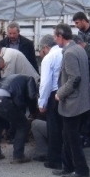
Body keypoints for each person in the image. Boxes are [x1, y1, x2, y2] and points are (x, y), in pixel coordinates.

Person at [52, 24, 90, 177]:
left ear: (61, 36)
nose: (55, 39)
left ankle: (81, 170)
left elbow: (74, 78)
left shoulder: (69, 53)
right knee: (68, 136)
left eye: (55, 37)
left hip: (73, 103)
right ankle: (67, 166)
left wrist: (60, 94)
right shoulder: (79, 49)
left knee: (72, 138)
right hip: (82, 101)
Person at [0, 74, 37, 164]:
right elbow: (31, 96)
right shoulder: (30, 79)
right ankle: (18, 156)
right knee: (23, 125)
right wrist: (33, 111)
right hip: (3, 100)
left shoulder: (10, 78)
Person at [37, 34, 64, 170]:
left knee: (53, 129)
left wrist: (42, 104)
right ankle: (66, 158)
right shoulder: (65, 52)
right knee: (65, 128)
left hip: (54, 95)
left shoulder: (49, 58)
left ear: (45, 47)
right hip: (67, 93)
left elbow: (45, 83)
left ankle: (55, 160)